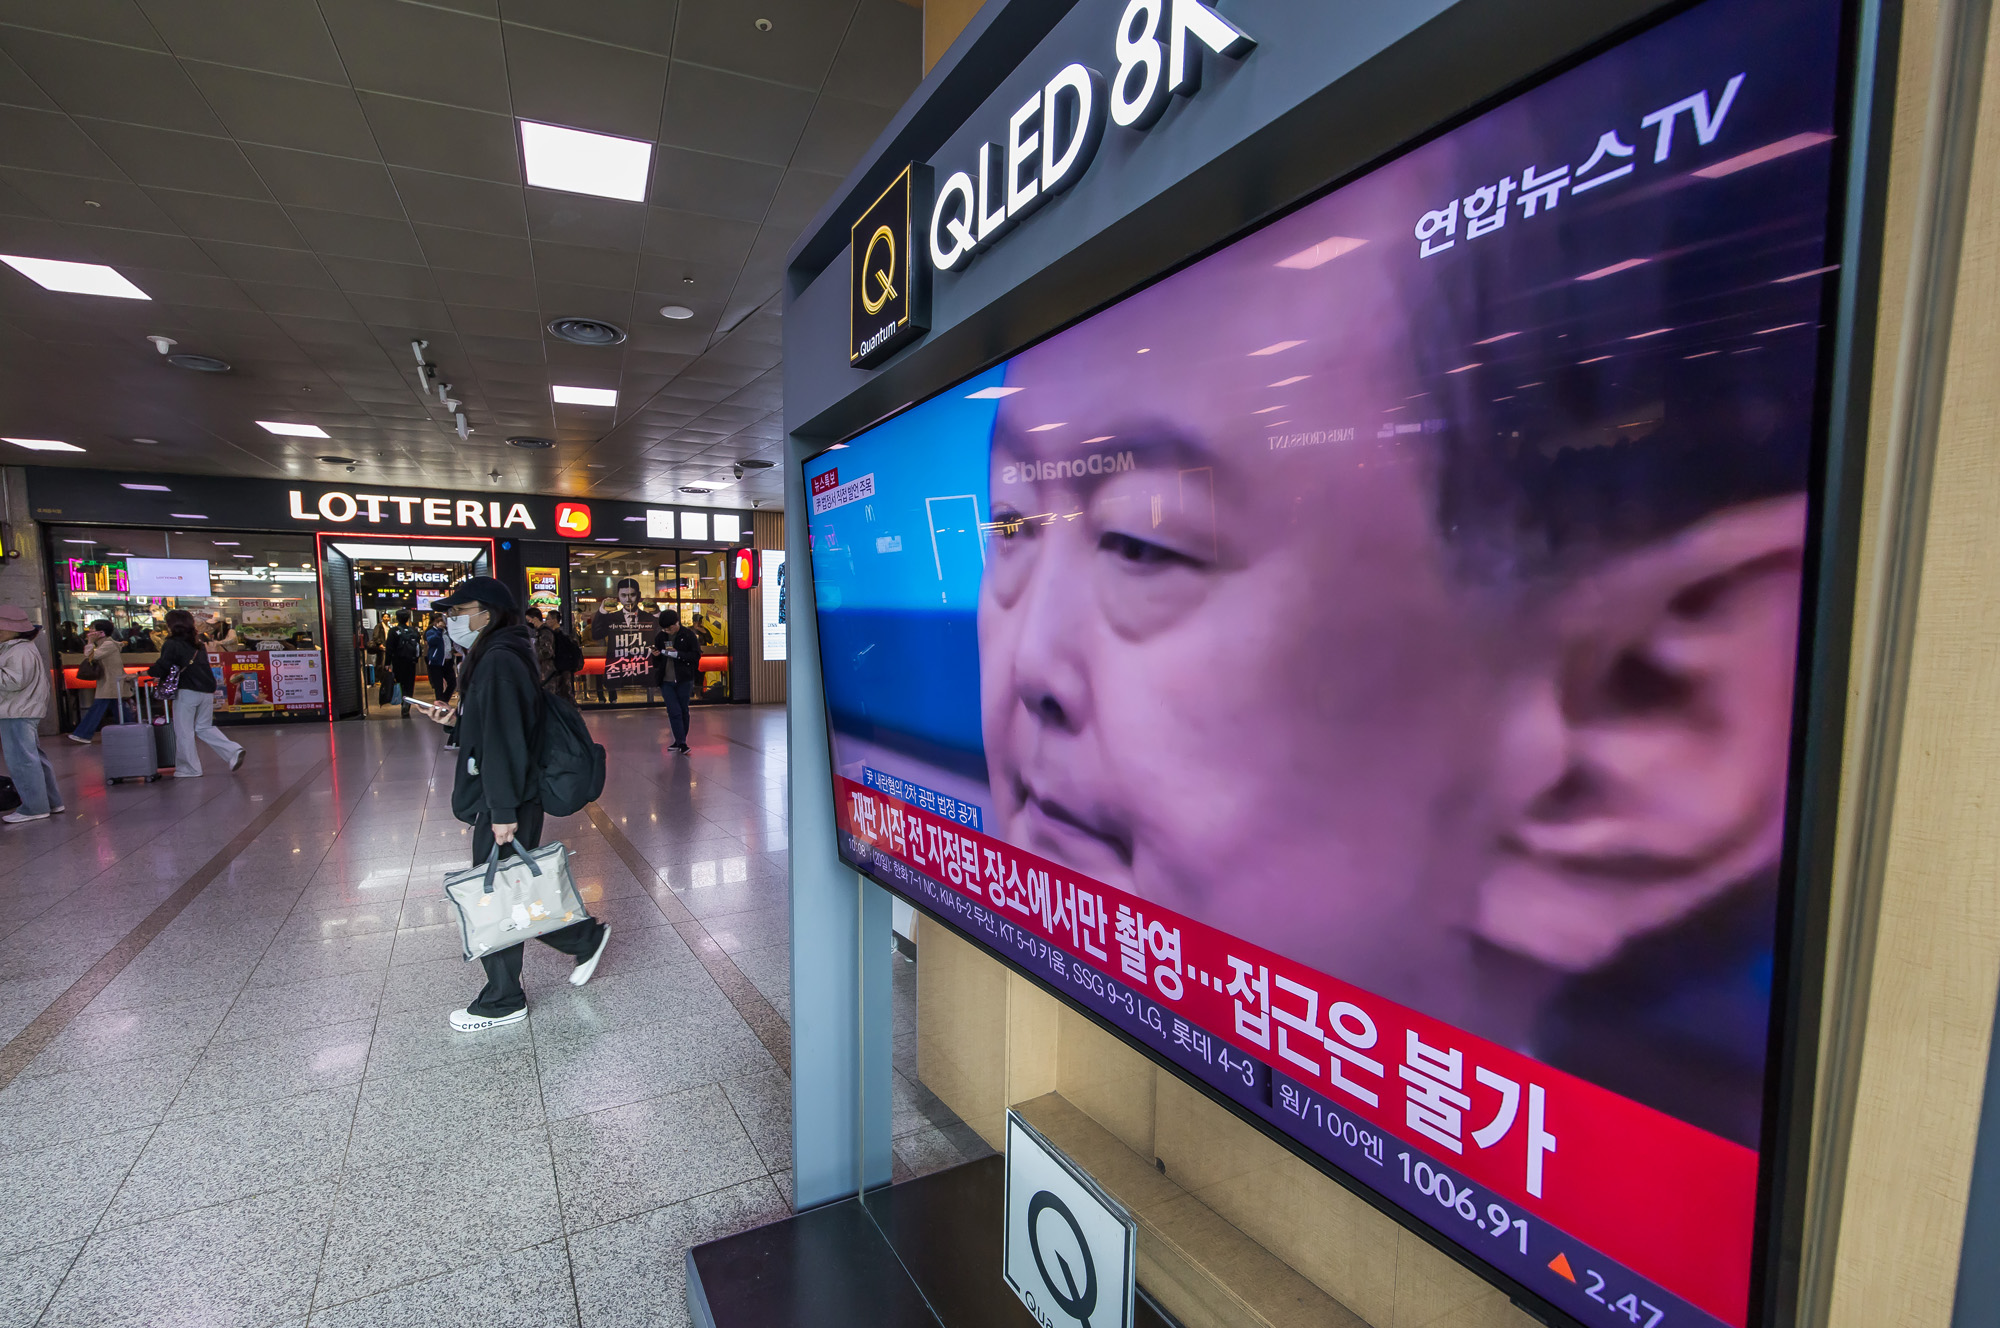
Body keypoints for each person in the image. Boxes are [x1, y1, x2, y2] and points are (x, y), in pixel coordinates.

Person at [422, 576, 610, 1031]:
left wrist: (503, 811)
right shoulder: (494, 655)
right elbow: (493, 727)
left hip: (508, 795)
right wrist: (457, 721)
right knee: (506, 885)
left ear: (487, 612)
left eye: (458, 611)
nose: (452, 620)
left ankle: (505, 997)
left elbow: (507, 740)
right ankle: (581, 937)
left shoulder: (500, 660)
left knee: (498, 891)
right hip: (505, 792)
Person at [151, 608, 243, 777]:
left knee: (184, 730)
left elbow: (163, 666)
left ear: (171, 625)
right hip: (206, 690)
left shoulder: (172, 643)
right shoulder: (197, 643)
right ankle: (233, 750)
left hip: (187, 691)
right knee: (204, 727)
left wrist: (147, 673)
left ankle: (190, 768)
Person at [0, 607, 65, 822]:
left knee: (21, 760)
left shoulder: (17, 651)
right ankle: (51, 802)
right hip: (21, 709)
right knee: (33, 757)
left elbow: (13, 682)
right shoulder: (21, 647)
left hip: (16, 710)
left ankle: (33, 807)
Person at [67, 619, 134, 743]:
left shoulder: (107, 645)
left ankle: (83, 734)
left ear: (101, 633)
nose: (89, 631)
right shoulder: (107, 644)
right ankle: (132, 730)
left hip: (111, 682)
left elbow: (90, 656)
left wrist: (90, 642)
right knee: (119, 709)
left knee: (98, 708)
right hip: (112, 682)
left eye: (92, 629)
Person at [589, 578, 654, 703]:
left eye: (632, 595)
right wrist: (602, 611)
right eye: (623, 595)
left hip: (642, 666)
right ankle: (612, 698)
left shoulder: (649, 617)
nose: (628, 599)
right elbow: (597, 634)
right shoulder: (611, 617)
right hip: (618, 664)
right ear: (618, 597)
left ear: (639, 596)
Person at [653, 609, 698, 753]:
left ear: (676, 623)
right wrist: (656, 655)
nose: (667, 631)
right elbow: (658, 661)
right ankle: (681, 742)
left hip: (684, 679)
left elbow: (695, 656)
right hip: (666, 680)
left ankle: (680, 741)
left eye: (669, 628)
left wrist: (678, 654)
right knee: (674, 711)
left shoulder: (688, 635)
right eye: (664, 628)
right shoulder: (661, 637)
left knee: (683, 710)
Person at [384, 609, 422, 717]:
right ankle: (407, 704)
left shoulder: (394, 631)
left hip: (398, 661)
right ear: (408, 618)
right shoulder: (413, 631)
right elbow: (418, 647)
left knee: (400, 683)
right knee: (410, 684)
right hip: (411, 661)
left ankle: (401, 699)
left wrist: (387, 663)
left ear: (396, 618)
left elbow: (389, 649)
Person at [423, 614, 456, 704]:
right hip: (436, 663)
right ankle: (440, 702)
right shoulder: (431, 631)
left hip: (448, 661)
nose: (442, 623)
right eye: (439, 621)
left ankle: (443, 701)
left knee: (453, 682)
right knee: (438, 686)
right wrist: (439, 630)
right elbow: (432, 641)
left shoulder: (448, 632)